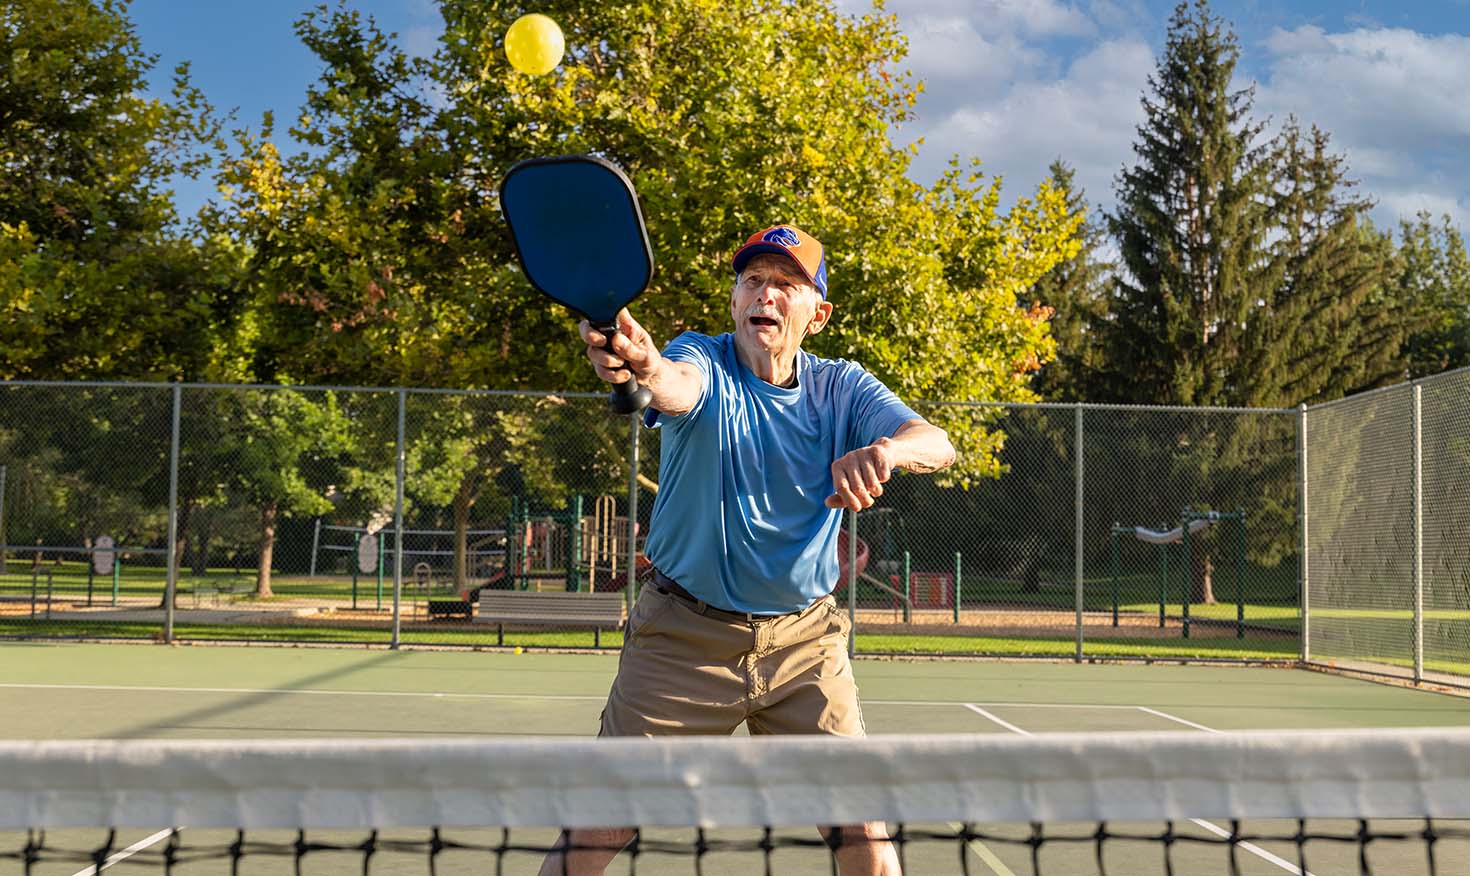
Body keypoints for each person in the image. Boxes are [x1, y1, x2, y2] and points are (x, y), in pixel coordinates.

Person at [539, 224, 956, 876]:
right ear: (735, 301)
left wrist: (888, 450)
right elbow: (676, 384)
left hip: (805, 645)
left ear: (816, 315)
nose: (766, 293)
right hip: (682, 640)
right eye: (753, 280)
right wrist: (646, 366)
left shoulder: (843, 387)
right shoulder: (700, 358)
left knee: (866, 839)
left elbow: (938, 444)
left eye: (786, 284)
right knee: (595, 829)